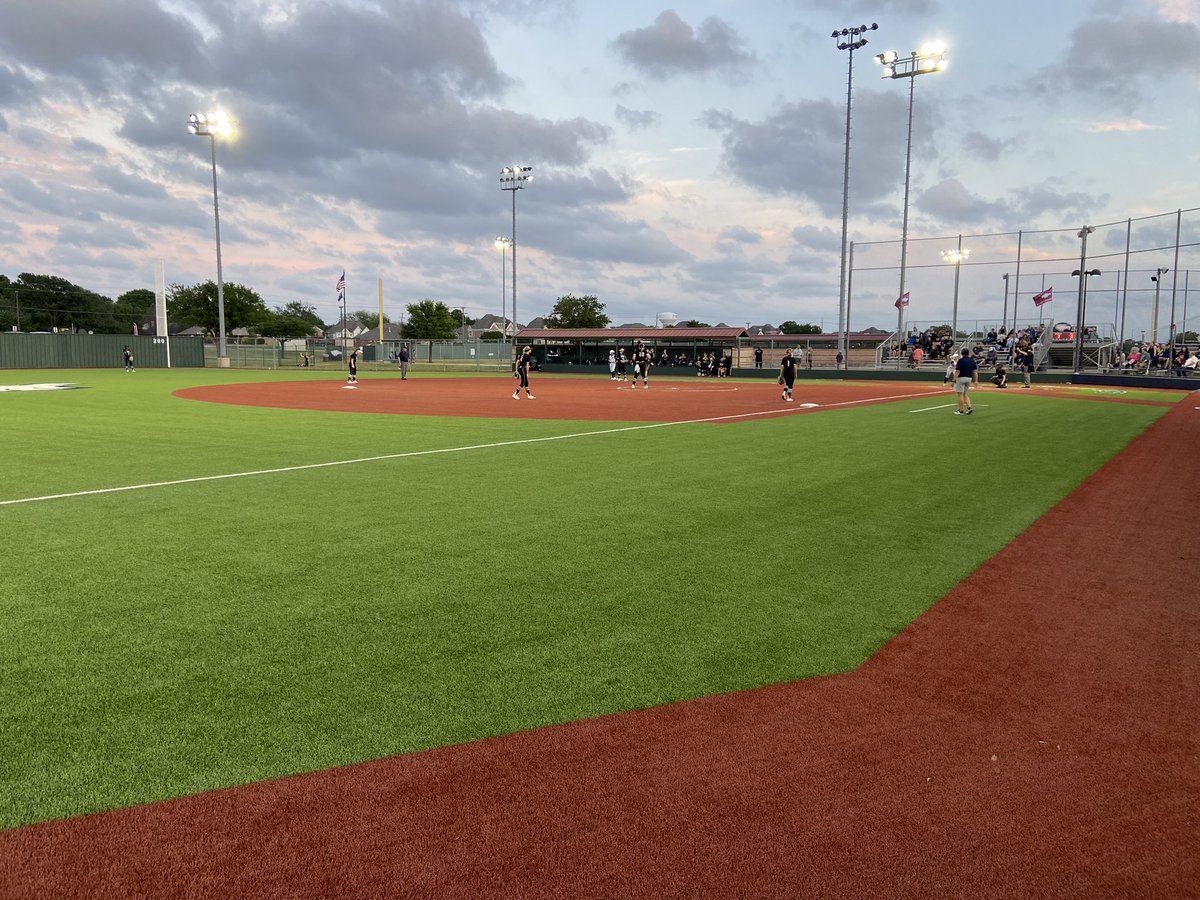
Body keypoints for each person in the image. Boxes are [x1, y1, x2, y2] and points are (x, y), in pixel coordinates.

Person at [954, 349, 979, 415]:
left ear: (962, 354)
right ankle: (969, 407)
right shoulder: (972, 360)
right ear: (968, 353)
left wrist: (953, 380)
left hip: (961, 378)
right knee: (965, 394)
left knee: (960, 395)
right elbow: (975, 372)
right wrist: (976, 381)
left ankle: (961, 410)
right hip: (969, 378)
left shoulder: (960, 361)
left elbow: (957, 371)